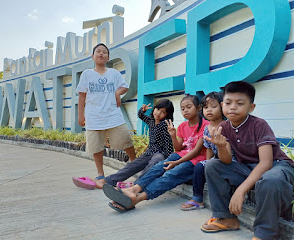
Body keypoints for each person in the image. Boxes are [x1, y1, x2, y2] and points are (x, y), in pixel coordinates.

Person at [200, 81, 294, 240]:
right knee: (212, 165)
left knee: (270, 180)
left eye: (240, 103)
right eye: (228, 103)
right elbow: (226, 161)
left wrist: (240, 190)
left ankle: (265, 233)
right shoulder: (225, 126)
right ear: (222, 105)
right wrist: (222, 147)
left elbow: (266, 164)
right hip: (248, 168)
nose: (233, 107)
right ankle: (227, 218)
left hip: (277, 166)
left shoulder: (259, 125)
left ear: (251, 107)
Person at [103, 94, 209, 212]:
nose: (185, 110)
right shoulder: (183, 126)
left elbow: (196, 151)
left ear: (199, 108)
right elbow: (178, 148)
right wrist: (173, 136)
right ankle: (134, 189)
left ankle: (135, 199)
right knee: (157, 168)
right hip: (178, 156)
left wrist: (176, 162)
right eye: (183, 108)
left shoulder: (206, 126)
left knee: (169, 175)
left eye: (189, 107)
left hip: (195, 161)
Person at [73, 43, 136, 188]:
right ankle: (100, 174)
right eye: (98, 51)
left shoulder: (113, 73)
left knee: (126, 140)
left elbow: (124, 86)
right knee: (96, 147)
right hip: (93, 116)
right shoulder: (87, 74)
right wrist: (80, 115)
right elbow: (82, 96)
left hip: (113, 115)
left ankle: (136, 164)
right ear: (93, 56)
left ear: (108, 57)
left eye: (104, 52)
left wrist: (116, 93)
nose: (101, 54)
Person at [94, 99, 174, 189]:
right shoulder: (151, 121)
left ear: (167, 115)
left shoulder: (165, 125)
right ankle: (109, 180)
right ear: (154, 109)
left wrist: (169, 159)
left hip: (160, 153)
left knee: (154, 161)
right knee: (133, 165)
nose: (158, 113)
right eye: (157, 109)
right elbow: (140, 115)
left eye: (162, 112)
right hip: (150, 152)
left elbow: (169, 145)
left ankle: (137, 184)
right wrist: (142, 110)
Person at [180, 91, 237, 210]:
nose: (209, 110)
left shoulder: (228, 126)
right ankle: (197, 198)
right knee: (200, 166)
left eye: (213, 106)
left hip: (231, 161)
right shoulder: (207, 128)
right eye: (206, 107)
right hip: (215, 161)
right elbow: (209, 149)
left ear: (222, 107)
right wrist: (207, 164)